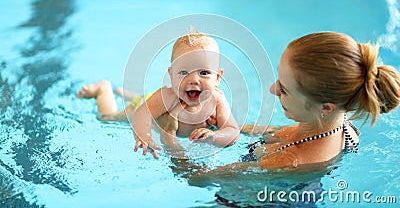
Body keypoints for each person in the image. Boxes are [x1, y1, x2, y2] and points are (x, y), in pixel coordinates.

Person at [237, 31, 399, 170]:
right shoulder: (341, 127)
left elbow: (216, 177)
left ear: (327, 108)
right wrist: (231, 127)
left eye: (284, 90)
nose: (273, 89)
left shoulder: (289, 160)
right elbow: (279, 133)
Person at [77, 32, 240, 159]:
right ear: (171, 75)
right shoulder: (167, 97)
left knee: (142, 100)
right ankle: (103, 90)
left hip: (151, 102)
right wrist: (144, 135)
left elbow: (232, 131)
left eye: (204, 72)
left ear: (218, 78)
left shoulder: (217, 100)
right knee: (107, 117)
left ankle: (126, 94)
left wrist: (215, 137)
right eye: (183, 72)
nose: (193, 80)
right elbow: (142, 113)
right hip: (145, 104)